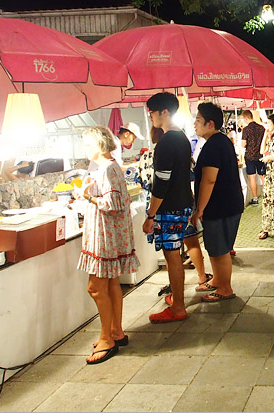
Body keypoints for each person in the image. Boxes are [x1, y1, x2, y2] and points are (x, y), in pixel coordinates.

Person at [74, 126, 140, 364]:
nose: (85, 149)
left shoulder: (107, 170)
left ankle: (106, 338)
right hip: (108, 234)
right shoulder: (109, 167)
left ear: (100, 145)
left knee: (95, 287)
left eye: (88, 145)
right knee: (111, 283)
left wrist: (86, 196)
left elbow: (112, 203)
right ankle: (115, 331)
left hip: (105, 236)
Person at [143, 93, 196, 323]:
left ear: (164, 112)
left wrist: (150, 214)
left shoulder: (167, 142)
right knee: (175, 254)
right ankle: (177, 299)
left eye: (152, 112)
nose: (151, 117)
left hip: (169, 207)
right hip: (183, 203)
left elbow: (161, 183)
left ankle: (178, 307)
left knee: (172, 256)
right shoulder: (181, 137)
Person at [191, 102, 244, 302]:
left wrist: (199, 208)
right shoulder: (219, 142)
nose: (195, 124)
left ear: (210, 123)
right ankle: (217, 281)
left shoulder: (214, 145)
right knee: (214, 246)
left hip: (221, 206)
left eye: (198, 120)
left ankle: (225, 288)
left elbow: (209, 179)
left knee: (220, 248)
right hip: (224, 204)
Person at [240, 110, 266, 206]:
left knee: (252, 177)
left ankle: (255, 198)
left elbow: (243, 144)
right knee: (263, 176)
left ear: (246, 118)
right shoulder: (261, 128)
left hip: (250, 156)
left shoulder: (246, 129)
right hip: (260, 155)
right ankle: (267, 195)